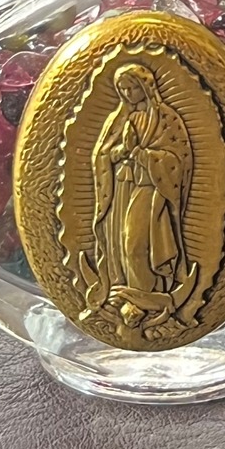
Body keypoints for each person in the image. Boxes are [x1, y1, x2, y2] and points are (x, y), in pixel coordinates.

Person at [83, 62, 196, 331]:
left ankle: (145, 295)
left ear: (146, 87)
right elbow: (102, 155)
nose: (127, 94)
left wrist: (139, 154)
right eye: (122, 89)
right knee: (120, 246)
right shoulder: (119, 119)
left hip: (151, 189)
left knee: (135, 245)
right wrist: (118, 153)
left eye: (132, 88)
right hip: (121, 188)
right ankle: (123, 292)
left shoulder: (166, 119)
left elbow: (177, 161)